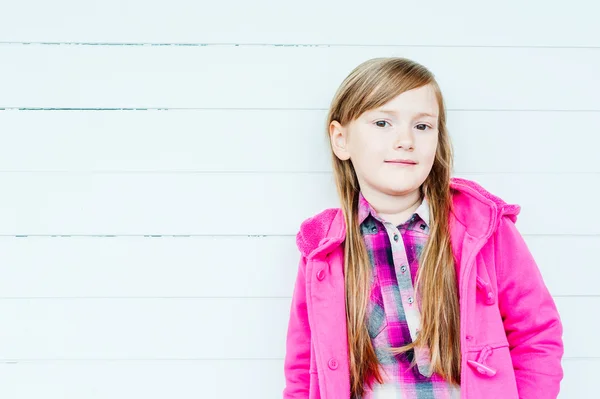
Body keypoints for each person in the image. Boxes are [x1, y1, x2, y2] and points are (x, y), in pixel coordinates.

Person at [282, 57, 564, 399]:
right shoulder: (323, 248)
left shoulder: (484, 228)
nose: (405, 140)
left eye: (422, 126)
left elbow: (536, 336)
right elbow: (302, 369)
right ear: (341, 140)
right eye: (383, 123)